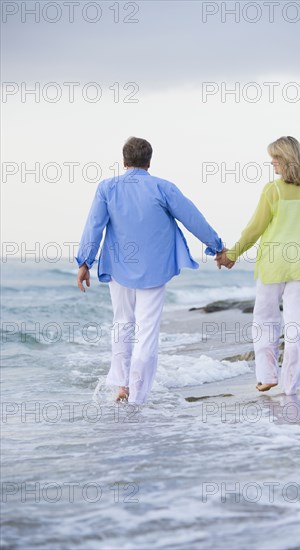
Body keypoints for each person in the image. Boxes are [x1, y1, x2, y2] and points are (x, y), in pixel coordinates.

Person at [76, 137, 225, 405]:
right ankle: (138, 395)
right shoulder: (162, 187)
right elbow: (193, 218)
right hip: (155, 269)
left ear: (124, 161)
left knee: (122, 323)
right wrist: (217, 247)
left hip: (118, 268)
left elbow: (94, 226)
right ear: (149, 161)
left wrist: (84, 262)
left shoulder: (107, 188)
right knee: (147, 331)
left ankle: (121, 385)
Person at [216, 136, 300, 395]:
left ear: (288, 159)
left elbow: (254, 229)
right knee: (298, 329)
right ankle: (291, 388)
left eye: (276, 158)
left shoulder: (273, 190)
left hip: (272, 266)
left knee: (265, 321)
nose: (272, 163)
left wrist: (231, 254)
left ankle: (267, 376)